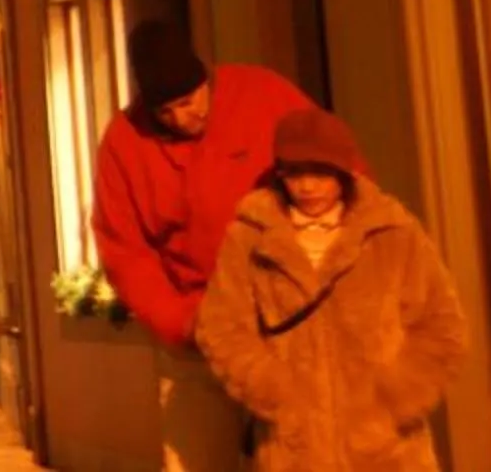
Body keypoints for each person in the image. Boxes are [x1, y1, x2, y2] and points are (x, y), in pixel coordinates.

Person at [92, 17, 323, 472]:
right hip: (197, 336)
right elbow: (125, 250)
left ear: (206, 79)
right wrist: (181, 323)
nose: (181, 118)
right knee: (193, 458)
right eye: (165, 112)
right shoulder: (123, 142)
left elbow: (334, 172)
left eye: (188, 101)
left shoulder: (263, 96)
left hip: (284, 326)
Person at [196, 106, 465, 469]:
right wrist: (274, 393)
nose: (307, 186)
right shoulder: (250, 236)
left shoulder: (392, 232)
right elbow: (221, 327)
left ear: (342, 170)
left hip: (387, 450)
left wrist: (395, 398)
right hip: (294, 449)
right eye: (294, 173)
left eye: (320, 172)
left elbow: (441, 324)